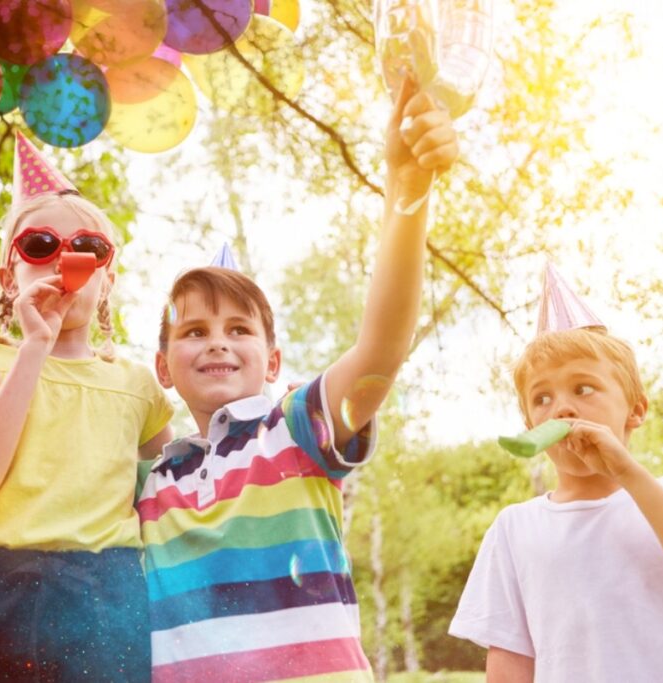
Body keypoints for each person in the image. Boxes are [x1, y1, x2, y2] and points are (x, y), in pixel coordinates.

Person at [137, 78, 458, 681]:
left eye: (238, 329)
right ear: (163, 367)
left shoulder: (294, 429)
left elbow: (382, 348)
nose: (217, 342)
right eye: (195, 331)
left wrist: (407, 191)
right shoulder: (149, 481)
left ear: (273, 362)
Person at [0, 133, 173, 682]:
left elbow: (177, 484)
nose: (66, 261)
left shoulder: (137, 385)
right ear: (7, 279)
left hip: (110, 596)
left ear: (107, 280)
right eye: (40, 245)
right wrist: (34, 347)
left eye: (89, 248)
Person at [448, 264, 663, 683]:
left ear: (635, 410)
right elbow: (510, 662)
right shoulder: (514, 529)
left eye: (583, 388)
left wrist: (628, 473)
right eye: (542, 398)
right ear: (530, 427)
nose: (562, 408)